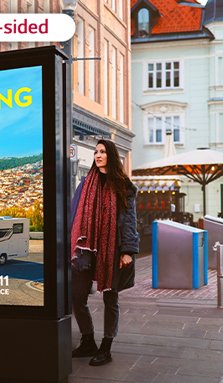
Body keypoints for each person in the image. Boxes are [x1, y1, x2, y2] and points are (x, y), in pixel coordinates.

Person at [69, 140, 139, 366]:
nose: (98, 155)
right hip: (86, 248)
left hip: (113, 247)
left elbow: (129, 220)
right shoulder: (86, 182)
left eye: (102, 152)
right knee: (77, 296)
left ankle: (106, 346)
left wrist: (128, 250)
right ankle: (88, 339)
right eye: (96, 152)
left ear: (111, 155)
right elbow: (74, 213)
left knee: (111, 297)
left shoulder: (123, 186)